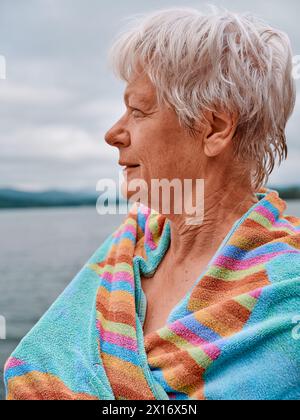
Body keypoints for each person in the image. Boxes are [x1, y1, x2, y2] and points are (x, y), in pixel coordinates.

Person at [4, 7, 300, 400]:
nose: (113, 133)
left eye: (139, 111)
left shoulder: (289, 287)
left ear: (214, 128)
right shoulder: (129, 248)